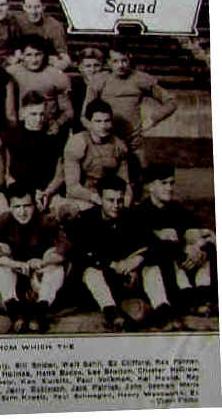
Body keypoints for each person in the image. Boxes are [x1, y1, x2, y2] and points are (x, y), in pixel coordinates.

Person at [67, 176, 182, 331]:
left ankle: (163, 310)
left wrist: (137, 260)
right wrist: (112, 264)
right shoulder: (86, 219)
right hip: (102, 282)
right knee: (90, 271)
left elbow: (155, 244)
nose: (116, 205)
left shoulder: (132, 217)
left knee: (151, 267)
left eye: (119, 200)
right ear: (100, 199)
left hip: (129, 280)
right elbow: (79, 253)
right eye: (110, 200)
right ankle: (111, 313)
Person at [130, 163, 217, 317]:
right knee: (165, 255)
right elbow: (150, 247)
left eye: (171, 183)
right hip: (154, 272)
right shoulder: (139, 213)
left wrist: (197, 245)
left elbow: (193, 227)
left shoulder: (175, 208)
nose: (169, 188)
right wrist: (183, 250)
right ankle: (190, 302)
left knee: (207, 248)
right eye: (163, 183)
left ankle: (202, 298)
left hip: (181, 264)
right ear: (150, 187)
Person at [0, 183, 68, 333]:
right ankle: (15, 311)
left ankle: (40, 312)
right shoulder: (3, 221)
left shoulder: (46, 221)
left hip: (39, 285)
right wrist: (13, 263)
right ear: (9, 207)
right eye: (17, 207)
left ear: (35, 205)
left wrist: (44, 261)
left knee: (55, 262)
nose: (22, 212)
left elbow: (65, 247)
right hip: (12, 285)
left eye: (27, 206)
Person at [83, 44, 177, 166]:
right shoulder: (99, 80)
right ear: (108, 62)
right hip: (107, 143)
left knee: (140, 178)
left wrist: (153, 119)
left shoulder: (141, 79)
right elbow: (84, 115)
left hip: (134, 142)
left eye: (124, 60)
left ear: (130, 59)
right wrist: (98, 135)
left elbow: (171, 101)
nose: (121, 65)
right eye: (115, 61)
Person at [54, 100, 133, 219]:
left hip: (110, 199)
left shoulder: (119, 146)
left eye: (107, 121)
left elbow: (125, 183)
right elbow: (72, 187)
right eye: (98, 121)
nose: (103, 126)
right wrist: (97, 199)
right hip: (83, 198)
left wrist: (125, 205)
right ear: (88, 123)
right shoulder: (78, 143)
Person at [3, 91, 67, 215]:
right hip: (20, 192)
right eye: (33, 114)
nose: (39, 119)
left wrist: (47, 192)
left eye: (42, 114)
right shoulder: (12, 136)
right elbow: (7, 174)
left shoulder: (55, 136)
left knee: (67, 210)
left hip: (49, 192)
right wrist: (31, 195)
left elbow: (60, 174)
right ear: (23, 113)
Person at [7, 35, 73, 137]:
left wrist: (58, 123)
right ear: (21, 55)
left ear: (45, 54)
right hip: (19, 128)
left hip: (47, 128)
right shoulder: (12, 73)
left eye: (38, 54)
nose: (34, 60)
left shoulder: (56, 75)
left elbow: (68, 111)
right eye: (29, 55)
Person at [14, 0, 70, 69]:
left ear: (44, 7)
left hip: (46, 65)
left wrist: (62, 63)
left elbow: (63, 54)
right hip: (22, 64)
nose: (33, 12)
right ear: (23, 7)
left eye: (37, 7)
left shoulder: (54, 26)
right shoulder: (16, 22)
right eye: (29, 7)